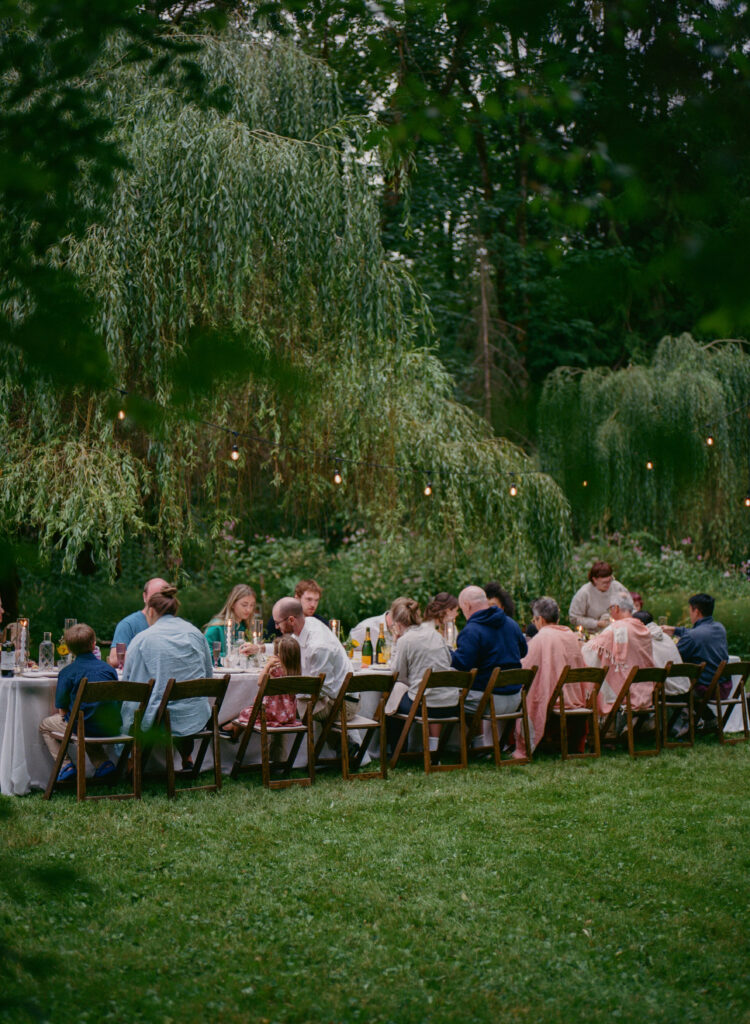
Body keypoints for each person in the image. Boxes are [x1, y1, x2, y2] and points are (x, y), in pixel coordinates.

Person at [121, 585, 212, 771]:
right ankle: (187, 756)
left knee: (135, 708)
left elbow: (131, 684)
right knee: (175, 703)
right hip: (196, 716)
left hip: (163, 719)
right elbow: (208, 676)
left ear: (151, 611)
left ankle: (132, 760)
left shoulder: (143, 638)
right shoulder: (195, 633)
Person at [39, 623, 121, 782]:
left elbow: (61, 706)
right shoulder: (109, 670)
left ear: (68, 649)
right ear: (94, 643)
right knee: (85, 721)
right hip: (111, 726)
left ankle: (65, 766)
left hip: (84, 726)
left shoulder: (67, 672)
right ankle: (103, 764)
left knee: (47, 725)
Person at [514, 597, 587, 759]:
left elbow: (526, 666)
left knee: (525, 692)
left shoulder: (542, 637)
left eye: (534, 619)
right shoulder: (570, 635)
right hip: (575, 695)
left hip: (555, 696)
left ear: (540, 619)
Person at [386, 597, 458, 754]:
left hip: (428, 706)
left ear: (397, 623)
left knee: (390, 704)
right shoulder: (435, 634)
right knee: (404, 697)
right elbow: (449, 660)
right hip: (451, 703)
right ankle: (432, 749)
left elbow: (399, 676)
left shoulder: (405, 640)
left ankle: (397, 751)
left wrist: (396, 644)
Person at [271, 596, 353, 725]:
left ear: (291, 620)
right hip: (328, 697)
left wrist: (291, 692)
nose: (276, 627)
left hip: (341, 703)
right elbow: (289, 646)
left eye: (277, 622)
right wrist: (261, 648)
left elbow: (324, 688)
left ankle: (240, 727)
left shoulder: (318, 646)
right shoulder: (307, 623)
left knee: (279, 708)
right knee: (277, 702)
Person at [451, 585, 528, 719]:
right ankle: (480, 739)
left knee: (446, 701)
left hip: (489, 700)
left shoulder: (472, 631)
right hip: (516, 698)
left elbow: (462, 665)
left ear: (467, 606)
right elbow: (523, 651)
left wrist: (447, 652)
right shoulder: (511, 624)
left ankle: (472, 740)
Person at [582, 592, 655, 716]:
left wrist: (580, 645)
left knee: (598, 669)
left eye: (610, 609)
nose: (610, 612)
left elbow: (590, 650)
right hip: (645, 689)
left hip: (625, 692)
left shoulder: (617, 628)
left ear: (615, 608)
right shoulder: (644, 629)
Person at [225, 634, 302, 744]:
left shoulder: (275, 672)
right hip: (288, 715)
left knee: (246, 712)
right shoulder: (295, 673)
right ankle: (233, 729)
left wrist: (267, 666)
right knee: (252, 712)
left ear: (279, 655)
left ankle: (233, 731)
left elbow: (260, 682)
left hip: (271, 714)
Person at [666, 593, 730, 701]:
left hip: (706, 689)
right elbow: (698, 632)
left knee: (668, 689)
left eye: (690, 610)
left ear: (696, 611)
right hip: (724, 687)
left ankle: (699, 716)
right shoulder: (720, 628)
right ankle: (704, 716)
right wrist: (675, 630)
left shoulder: (692, 637)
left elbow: (673, 657)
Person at [107, 576, 169, 666]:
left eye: (163, 597)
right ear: (144, 597)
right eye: (154, 597)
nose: (158, 602)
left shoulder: (173, 625)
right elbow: (115, 659)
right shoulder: (128, 625)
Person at [632, 611, 690, 695]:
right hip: (683, 690)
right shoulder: (666, 637)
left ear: (638, 623)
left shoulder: (643, 639)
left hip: (663, 693)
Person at [568, 561, 629, 633]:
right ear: (595, 580)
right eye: (604, 582)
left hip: (617, 632)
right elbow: (574, 618)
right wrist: (596, 623)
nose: (608, 584)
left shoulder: (617, 587)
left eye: (610, 580)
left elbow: (631, 609)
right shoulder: (584, 593)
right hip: (592, 634)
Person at [204, 584, 261, 659]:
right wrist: (232, 655)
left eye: (252, 605)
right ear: (233, 604)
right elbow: (205, 653)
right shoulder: (217, 627)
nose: (249, 610)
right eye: (244, 605)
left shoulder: (245, 626)